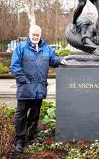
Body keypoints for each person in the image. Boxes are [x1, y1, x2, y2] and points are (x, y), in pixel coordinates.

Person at [11, 25, 67, 153]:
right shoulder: (21, 48)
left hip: (39, 88)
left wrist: (60, 60)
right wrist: (24, 80)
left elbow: (52, 60)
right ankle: (19, 140)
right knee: (21, 115)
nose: (35, 37)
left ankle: (31, 136)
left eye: (37, 35)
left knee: (35, 114)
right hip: (25, 88)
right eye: (33, 35)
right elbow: (15, 66)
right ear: (29, 34)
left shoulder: (46, 48)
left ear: (40, 35)